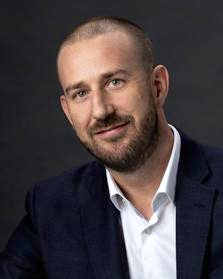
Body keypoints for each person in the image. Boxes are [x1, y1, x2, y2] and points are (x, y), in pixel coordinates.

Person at [0, 16, 223, 279]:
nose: (101, 111)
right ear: (68, 112)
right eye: (81, 93)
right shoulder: (52, 207)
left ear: (158, 86)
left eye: (114, 82)